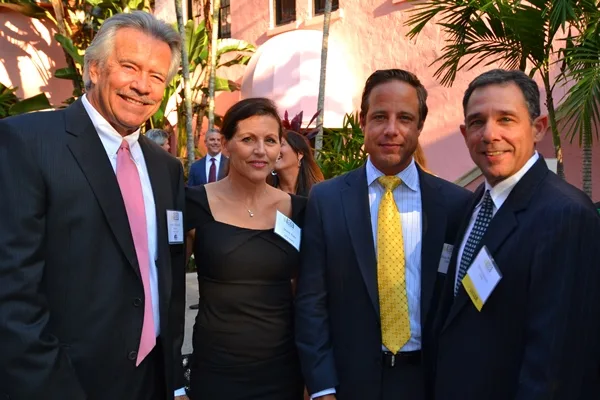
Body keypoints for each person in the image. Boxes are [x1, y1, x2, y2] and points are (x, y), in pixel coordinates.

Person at [0, 11, 188, 400]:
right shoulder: (27, 143)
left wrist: (172, 380)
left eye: (156, 76)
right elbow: (11, 291)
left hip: (152, 379)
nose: (142, 86)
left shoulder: (166, 167)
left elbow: (166, 279)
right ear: (95, 68)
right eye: (130, 67)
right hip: (66, 381)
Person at [295, 69, 471, 400]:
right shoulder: (327, 200)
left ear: (420, 126)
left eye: (404, 118)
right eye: (379, 117)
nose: (391, 129)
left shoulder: (456, 205)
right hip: (349, 385)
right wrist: (322, 388)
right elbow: (311, 302)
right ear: (362, 121)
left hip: (430, 383)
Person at [432, 69, 600, 400]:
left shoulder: (566, 215)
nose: (489, 134)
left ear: (538, 128)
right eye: (477, 122)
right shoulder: (474, 204)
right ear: (465, 133)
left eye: (506, 119)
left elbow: (557, 362)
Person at [185, 98, 306, 400]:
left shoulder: (300, 210)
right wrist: (173, 379)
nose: (260, 150)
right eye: (248, 139)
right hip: (217, 370)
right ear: (226, 145)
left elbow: (309, 295)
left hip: (284, 370)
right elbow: (167, 291)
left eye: (270, 140)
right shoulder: (193, 203)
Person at [271, 129, 324, 196]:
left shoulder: (319, 193)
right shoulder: (265, 194)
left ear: (299, 155)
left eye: (281, 145)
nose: (274, 150)